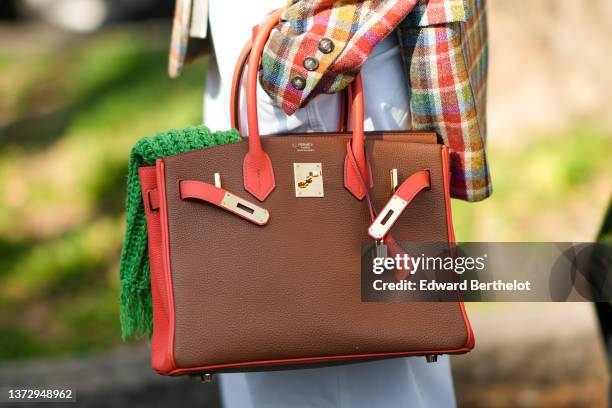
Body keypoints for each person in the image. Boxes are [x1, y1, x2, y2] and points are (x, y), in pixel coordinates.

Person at [170, 0, 490, 406]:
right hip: (253, 39)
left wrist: (316, 36)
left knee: (364, 368)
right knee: (252, 341)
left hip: (320, 38)